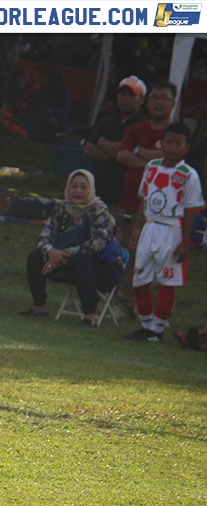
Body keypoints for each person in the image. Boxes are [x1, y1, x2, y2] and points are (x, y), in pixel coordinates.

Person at [125, 123, 204, 342]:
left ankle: (158, 328)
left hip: (171, 230)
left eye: (177, 143)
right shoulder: (151, 167)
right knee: (140, 278)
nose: (171, 147)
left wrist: (185, 241)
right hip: (150, 226)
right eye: (168, 142)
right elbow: (143, 199)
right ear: (162, 143)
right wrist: (137, 228)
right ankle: (146, 323)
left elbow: (190, 211)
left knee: (166, 281)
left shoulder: (189, 175)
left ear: (186, 147)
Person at [19, 170, 122, 327]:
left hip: (100, 267)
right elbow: (43, 237)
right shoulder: (61, 208)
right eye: (74, 186)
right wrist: (50, 251)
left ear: (91, 189)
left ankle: (90, 316)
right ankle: (39, 307)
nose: (78, 191)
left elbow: (97, 244)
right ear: (68, 188)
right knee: (35, 257)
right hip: (62, 262)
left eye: (83, 187)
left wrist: (64, 254)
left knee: (84, 259)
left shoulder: (100, 211)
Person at [114, 81, 177, 313]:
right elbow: (121, 155)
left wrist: (139, 153)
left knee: (158, 262)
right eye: (155, 97)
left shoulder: (176, 131)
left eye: (164, 98)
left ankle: (153, 310)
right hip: (131, 203)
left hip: (163, 214)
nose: (159, 102)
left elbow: (173, 158)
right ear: (147, 102)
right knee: (128, 256)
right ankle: (124, 302)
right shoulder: (136, 129)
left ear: (173, 103)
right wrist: (154, 162)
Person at [83, 75, 146, 208]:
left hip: (124, 192)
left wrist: (103, 144)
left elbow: (126, 152)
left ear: (142, 99)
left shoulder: (143, 126)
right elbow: (88, 149)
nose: (125, 98)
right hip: (98, 189)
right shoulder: (106, 121)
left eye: (131, 95)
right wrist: (119, 153)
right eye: (122, 94)